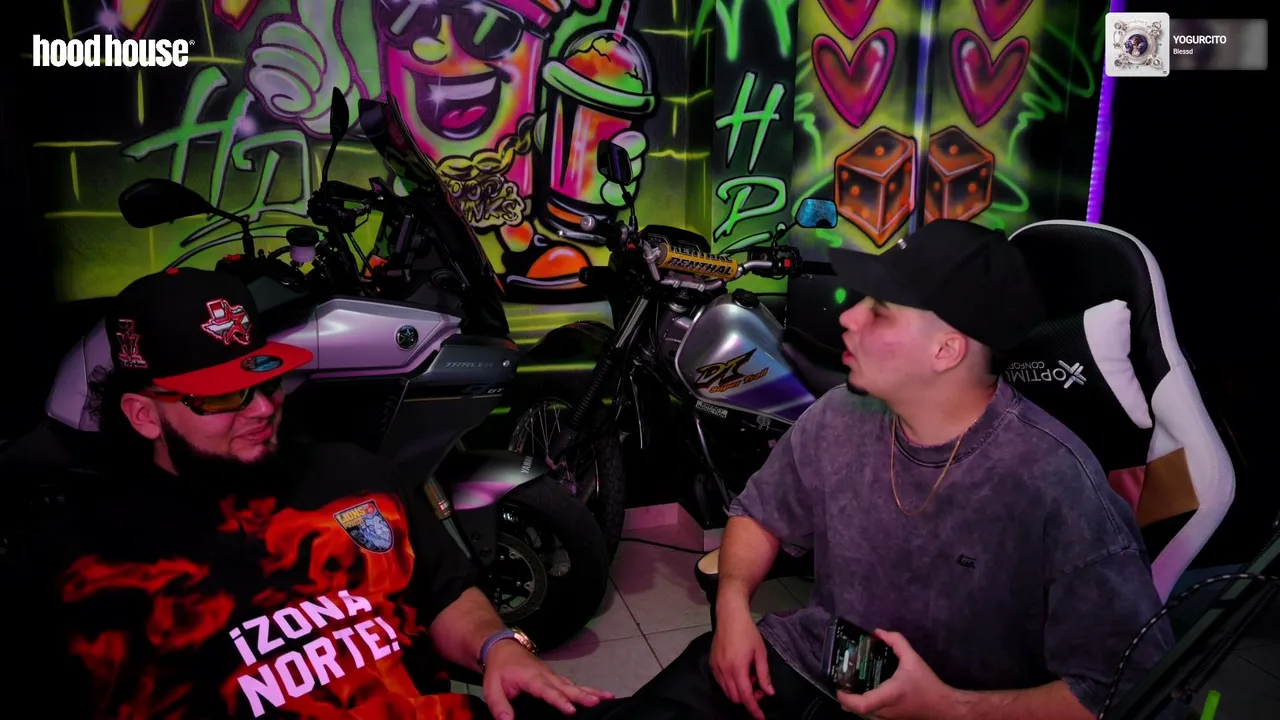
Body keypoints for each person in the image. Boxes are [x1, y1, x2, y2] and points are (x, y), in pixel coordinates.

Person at [5, 268, 624, 720]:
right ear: (144, 415)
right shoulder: (78, 566)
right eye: (223, 396)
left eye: (265, 381)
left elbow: (445, 592)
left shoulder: (352, 474)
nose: (261, 409)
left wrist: (497, 646)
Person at [631, 220, 1174, 719]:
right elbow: (761, 513)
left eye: (880, 310)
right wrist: (732, 607)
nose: (848, 317)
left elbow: (1125, 688)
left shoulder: (1056, 482)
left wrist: (948, 707)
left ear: (946, 350)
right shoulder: (840, 414)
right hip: (825, 661)